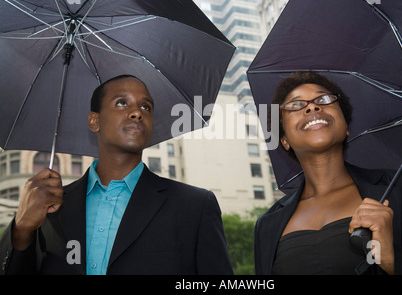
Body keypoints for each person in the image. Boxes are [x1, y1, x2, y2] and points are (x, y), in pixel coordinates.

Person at [0, 75, 233, 275]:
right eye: (122, 103)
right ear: (95, 121)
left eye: (146, 107)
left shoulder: (195, 206)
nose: (136, 113)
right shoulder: (50, 206)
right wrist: (22, 229)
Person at [254, 71, 402, 275]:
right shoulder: (267, 224)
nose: (312, 106)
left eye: (324, 98)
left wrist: (392, 259)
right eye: (295, 105)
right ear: (284, 139)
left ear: (345, 125)